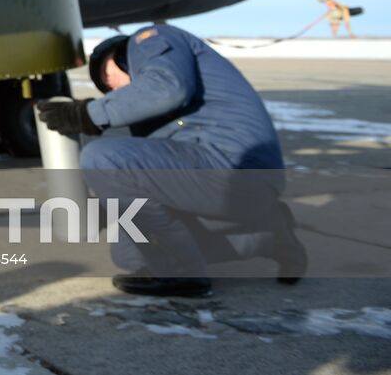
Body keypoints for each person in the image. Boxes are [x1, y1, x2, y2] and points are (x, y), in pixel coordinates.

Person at [37, 24, 305, 298]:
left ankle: (183, 273)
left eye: (107, 76)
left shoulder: (149, 40)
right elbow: (136, 172)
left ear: (119, 56)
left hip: (237, 168)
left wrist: (87, 114)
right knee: (133, 254)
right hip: (226, 181)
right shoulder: (154, 113)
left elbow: (166, 88)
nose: (111, 88)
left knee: (103, 158)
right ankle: (270, 238)